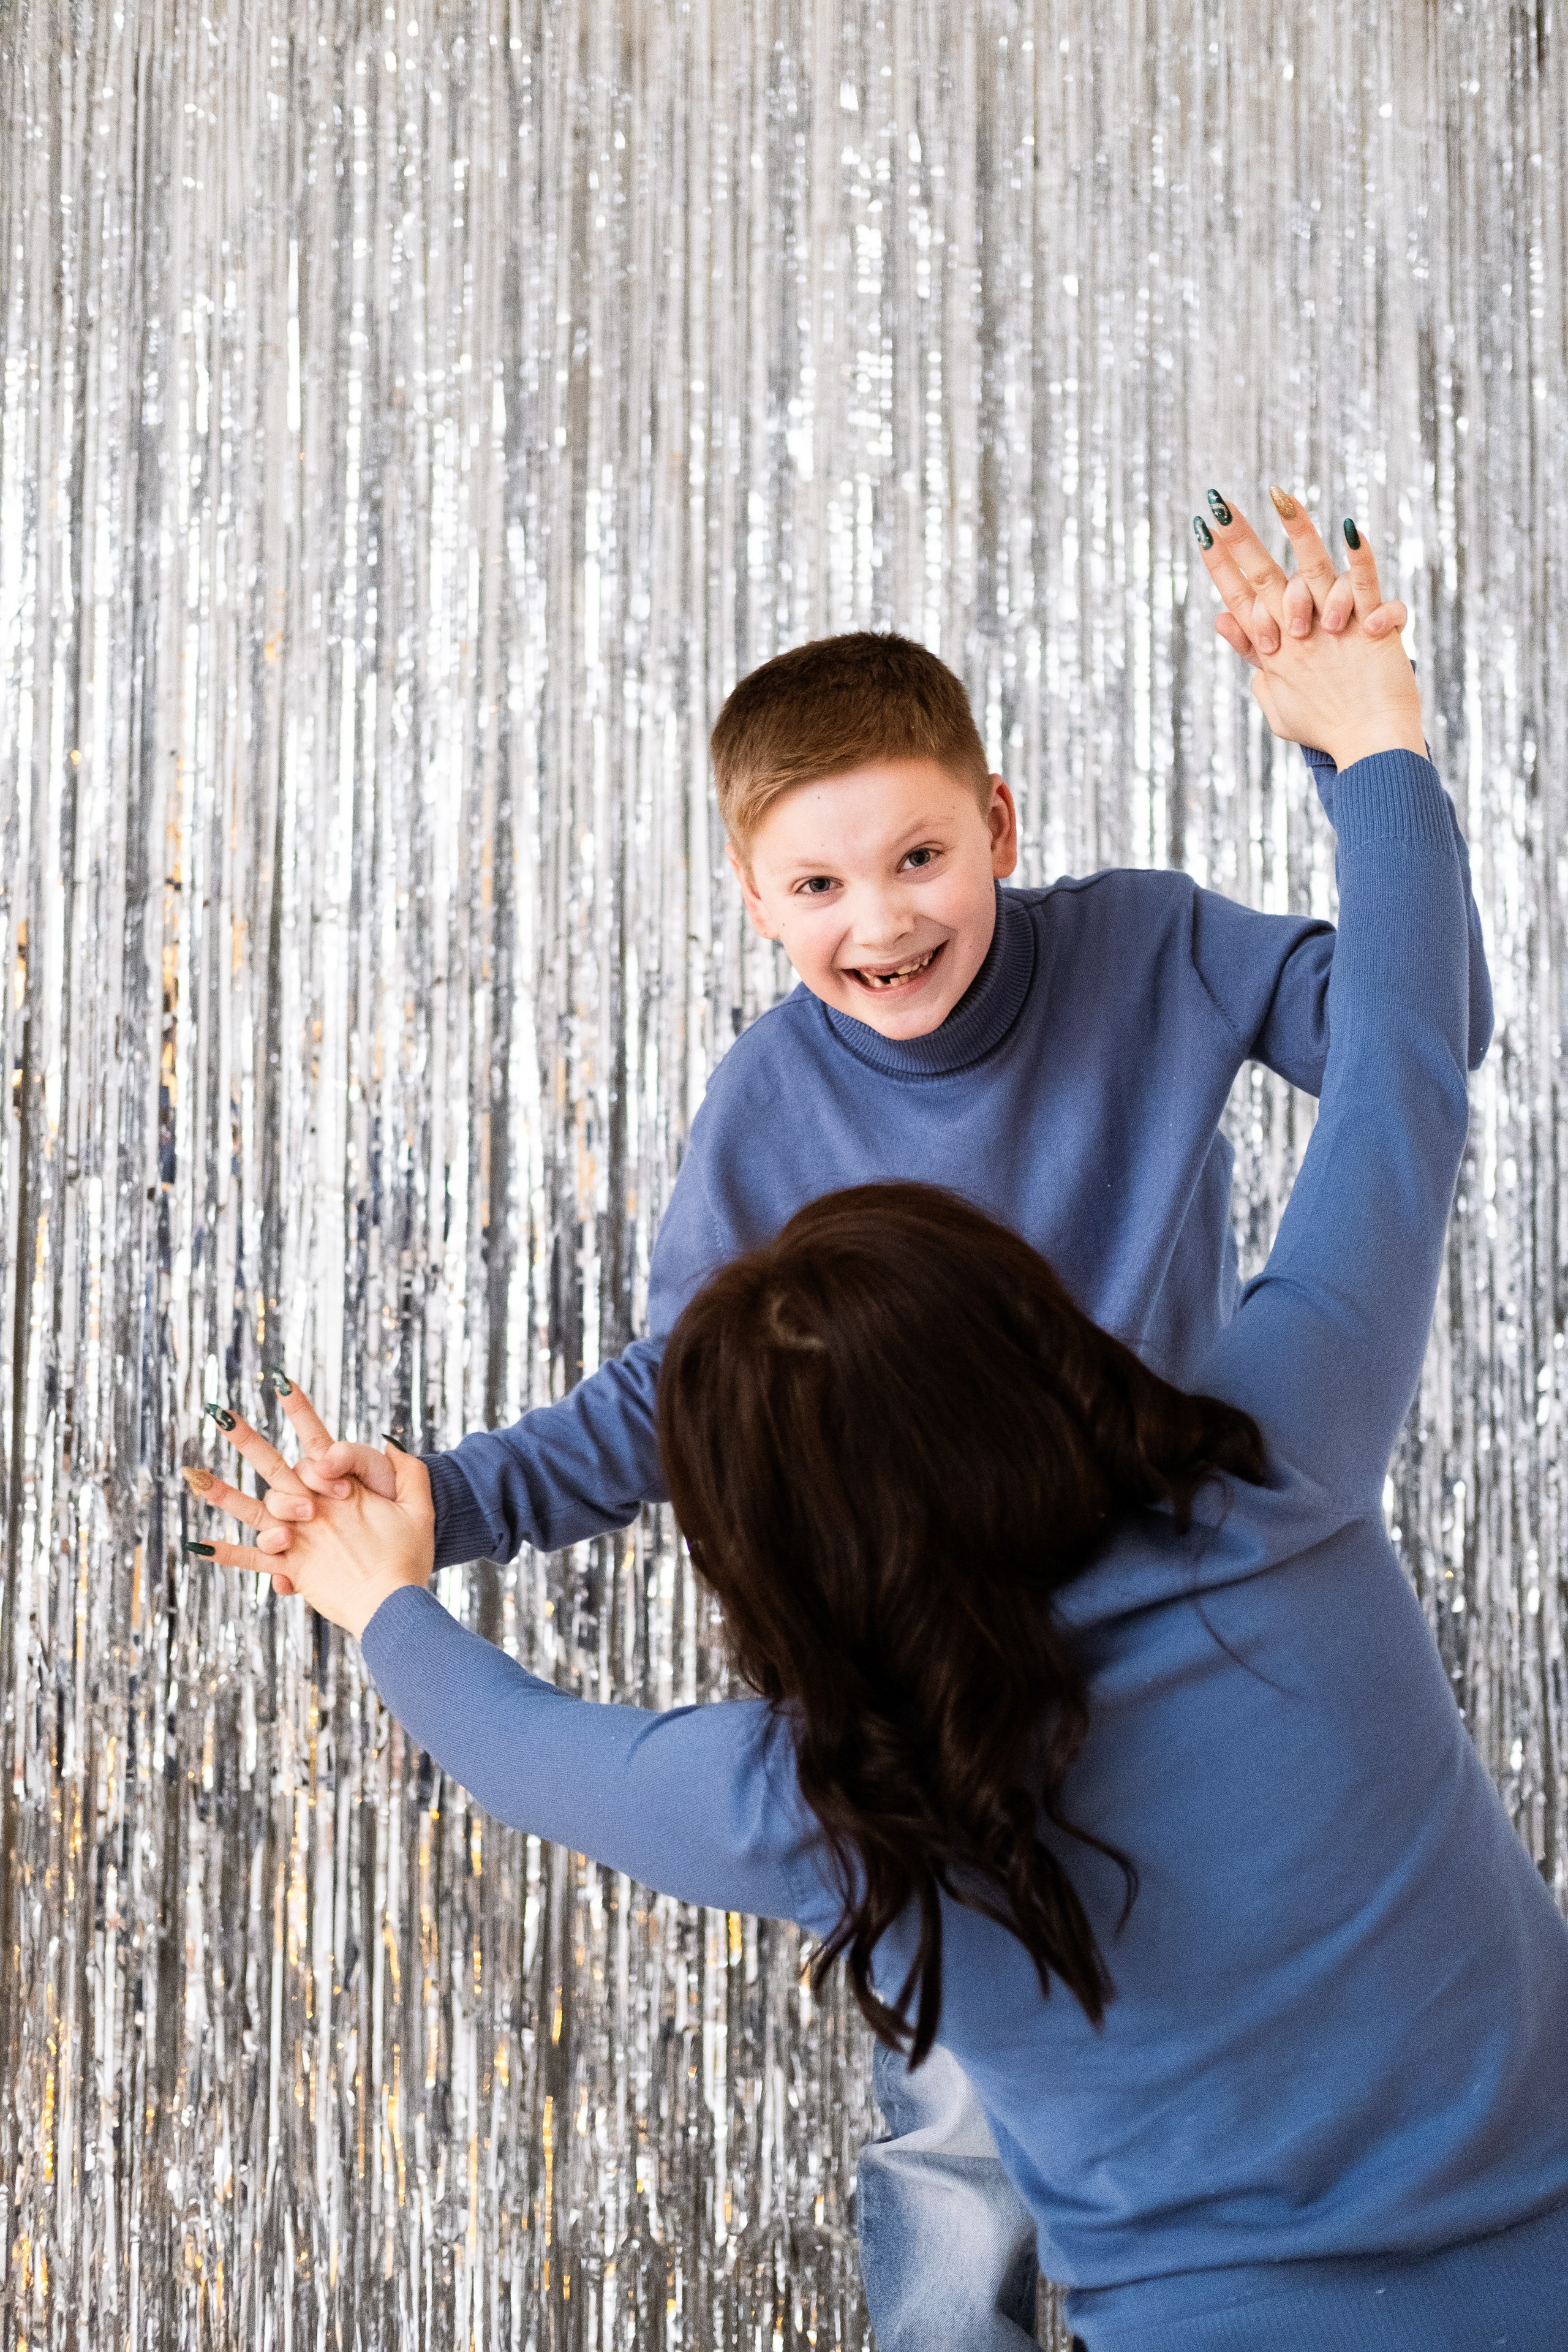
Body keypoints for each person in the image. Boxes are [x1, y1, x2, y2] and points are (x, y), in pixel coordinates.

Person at [186, 502, 1526, 2348]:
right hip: (1045, 1678)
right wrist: (1371, 749)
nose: (880, 918)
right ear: (755, 900)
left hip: (1136, 1589)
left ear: (1001, 826)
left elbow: (539, 1747)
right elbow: (1404, 1094)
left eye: (918, 858)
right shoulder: (1291, 1457)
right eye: (819, 887)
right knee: (967, 2155)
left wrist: (387, 1595)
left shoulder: (832, 1793)